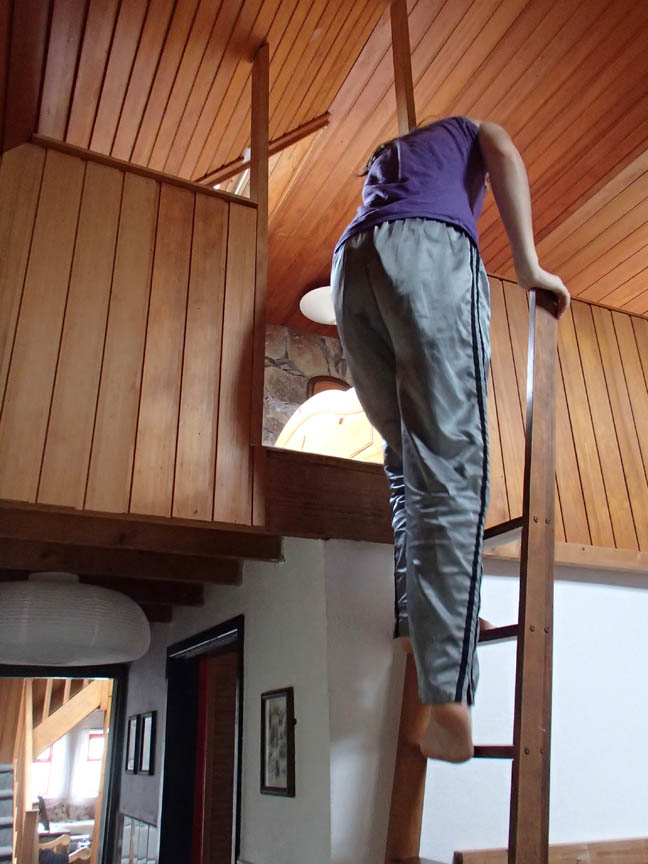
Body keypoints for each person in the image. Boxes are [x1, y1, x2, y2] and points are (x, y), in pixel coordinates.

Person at [330, 116, 569, 763]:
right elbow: (504, 150)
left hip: (350, 268)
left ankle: (427, 626)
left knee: (407, 468)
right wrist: (529, 266)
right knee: (450, 465)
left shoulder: (389, 164)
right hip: (427, 252)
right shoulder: (467, 128)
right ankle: (449, 696)